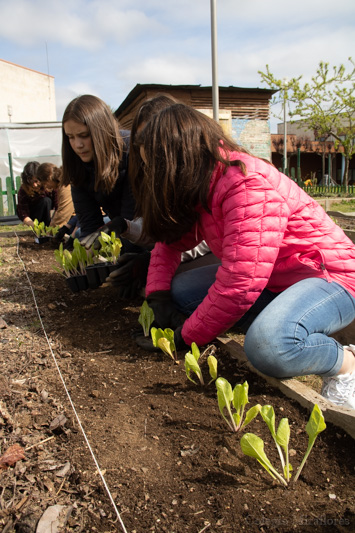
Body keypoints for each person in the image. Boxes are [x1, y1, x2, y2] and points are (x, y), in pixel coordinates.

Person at [133, 102, 355, 410]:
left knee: (269, 347)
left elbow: (240, 284)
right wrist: (156, 296)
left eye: (154, 168)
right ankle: (280, 320)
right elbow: (170, 241)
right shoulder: (203, 184)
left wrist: (185, 336)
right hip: (274, 279)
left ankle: (345, 363)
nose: (152, 176)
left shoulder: (246, 184)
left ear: (178, 159)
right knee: (178, 293)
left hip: (328, 277)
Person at [104, 94, 220, 299]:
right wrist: (126, 227)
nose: (148, 149)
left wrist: (150, 261)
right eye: (141, 140)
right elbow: (160, 231)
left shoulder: (200, 175)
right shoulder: (152, 173)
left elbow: (201, 239)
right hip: (189, 253)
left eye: (155, 139)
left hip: (216, 255)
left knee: (177, 290)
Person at [61, 94, 140, 255]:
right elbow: (89, 224)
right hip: (121, 225)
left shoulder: (131, 151)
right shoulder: (78, 166)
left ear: (101, 130)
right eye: (71, 137)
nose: (78, 145)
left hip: (146, 231)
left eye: (84, 135)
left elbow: (132, 219)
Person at [17, 161, 58, 228]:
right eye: (31, 182)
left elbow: (58, 207)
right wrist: (34, 226)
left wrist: (52, 225)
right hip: (34, 218)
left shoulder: (50, 186)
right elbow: (23, 213)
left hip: (49, 217)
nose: (35, 185)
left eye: (37, 181)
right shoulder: (23, 190)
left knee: (46, 201)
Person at [36, 162, 75, 227]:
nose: (46, 187)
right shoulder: (60, 186)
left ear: (49, 178)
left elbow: (63, 214)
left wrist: (51, 230)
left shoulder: (65, 186)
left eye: (44, 184)